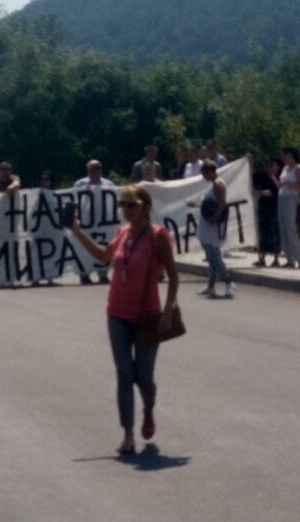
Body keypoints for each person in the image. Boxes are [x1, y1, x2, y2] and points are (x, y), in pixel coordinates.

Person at [69, 184, 179, 454]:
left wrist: (167, 312)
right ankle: (128, 433)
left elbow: (174, 276)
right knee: (124, 375)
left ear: (145, 207)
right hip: (116, 313)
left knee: (144, 377)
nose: (126, 210)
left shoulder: (158, 236)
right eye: (123, 205)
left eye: (132, 205)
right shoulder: (121, 233)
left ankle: (148, 409)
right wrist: (77, 231)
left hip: (147, 316)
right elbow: (102, 256)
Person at [187, 160, 236, 297]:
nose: (203, 177)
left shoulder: (218, 184)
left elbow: (222, 203)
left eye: (204, 174)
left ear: (210, 172)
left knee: (215, 257)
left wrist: (214, 218)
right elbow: (209, 204)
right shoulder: (213, 184)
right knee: (210, 257)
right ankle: (211, 286)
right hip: (207, 225)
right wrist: (196, 205)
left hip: (213, 226)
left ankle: (228, 282)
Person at [74, 159, 114, 284]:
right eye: (92, 169)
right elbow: (75, 200)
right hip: (86, 220)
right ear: (88, 170)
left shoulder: (108, 184)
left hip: (103, 220)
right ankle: (84, 274)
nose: (95, 171)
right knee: (85, 246)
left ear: (101, 170)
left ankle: (103, 273)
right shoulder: (80, 184)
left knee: (103, 246)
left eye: (97, 168)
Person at [252, 159, 282, 267]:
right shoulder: (260, 176)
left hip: (275, 207)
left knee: (275, 233)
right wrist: (261, 192)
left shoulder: (279, 177)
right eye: (269, 166)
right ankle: (262, 258)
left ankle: (276, 259)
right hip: (263, 207)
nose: (272, 168)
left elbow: (279, 189)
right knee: (263, 233)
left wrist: (273, 178)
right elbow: (252, 188)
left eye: (274, 166)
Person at [274, 147, 300, 268]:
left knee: (290, 229)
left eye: (283, 156)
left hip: (291, 199)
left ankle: (298, 257)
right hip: (281, 197)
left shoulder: (297, 168)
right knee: (283, 230)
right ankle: (290, 259)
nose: (282, 158)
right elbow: (280, 185)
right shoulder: (285, 168)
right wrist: (274, 179)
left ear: (290, 155)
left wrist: (287, 183)